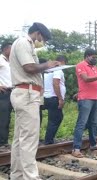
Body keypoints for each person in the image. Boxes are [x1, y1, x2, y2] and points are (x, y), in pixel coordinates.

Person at [9, 22, 60, 180]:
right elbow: (29, 68)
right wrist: (47, 65)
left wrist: (45, 67)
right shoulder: (24, 42)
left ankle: (17, 175)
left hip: (25, 93)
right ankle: (31, 177)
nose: (42, 42)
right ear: (37, 34)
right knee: (29, 139)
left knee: (20, 139)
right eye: (43, 38)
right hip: (27, 93)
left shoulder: (24, 44)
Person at [71, 49, 97, 158]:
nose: (95, 59)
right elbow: (86, 79)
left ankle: (93, 144)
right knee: (82, 123)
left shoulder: (95, 68)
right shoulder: (81, 65)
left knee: (94, 122)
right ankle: (76, 148)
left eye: (96, 57)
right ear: (87, 56)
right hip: (85, 98)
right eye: (94, 57)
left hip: (95, 98)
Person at [43, 55, 68, 144]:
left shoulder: (48, 71)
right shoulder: (58, 70)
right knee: (55, 119)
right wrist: (60, 99)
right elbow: (55, 84)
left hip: (46, 97)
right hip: (54, 98)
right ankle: (48, 141)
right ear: (63, 62)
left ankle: (48, 139)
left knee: (54, 118)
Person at [0, 42, 12, 151]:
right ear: (6, 49)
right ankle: (2, 143)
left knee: (8, 118)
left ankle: (5, 141)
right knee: (3, 118)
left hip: (12, 92)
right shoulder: (0, 59)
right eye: (11, 49)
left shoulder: (10, 62)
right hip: (3, 93)